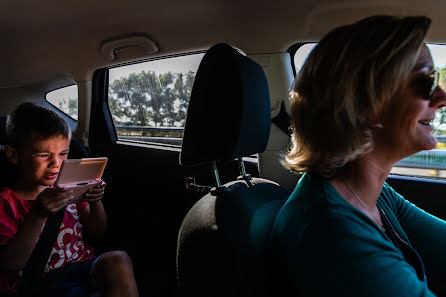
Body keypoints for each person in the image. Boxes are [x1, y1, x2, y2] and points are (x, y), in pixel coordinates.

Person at [272, 15, 446, 297]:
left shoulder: (373, 196)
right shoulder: (333, 235)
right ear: (364, 101)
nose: (441, 97)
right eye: (425, 81)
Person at [0, 102, 139, 297]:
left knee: (118, 260)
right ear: (13, 155)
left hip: (82, 265)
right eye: (43, 155)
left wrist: (94, 201)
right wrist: (37, 215)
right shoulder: (6, 202)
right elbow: (11, 263)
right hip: (39, 281)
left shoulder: (68, 186)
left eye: (63, 154)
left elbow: (98, 230)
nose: (56, 164)